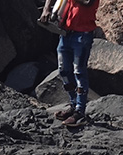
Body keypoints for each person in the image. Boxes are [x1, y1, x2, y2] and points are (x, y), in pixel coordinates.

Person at [40, 0, 100, 128]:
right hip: (66, 33)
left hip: (83, 33)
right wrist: (46, 9)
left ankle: (80, 111)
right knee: (63, 70)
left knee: (79, 71)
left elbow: (87, 2)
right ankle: (73, 104)